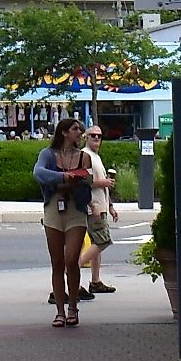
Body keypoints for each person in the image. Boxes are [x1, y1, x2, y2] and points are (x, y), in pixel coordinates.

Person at [32, 117, 95, 327]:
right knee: (57, 262)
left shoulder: (84, 156)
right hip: (53, 208)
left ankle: (73, 307)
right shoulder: (47, 154)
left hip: (76, 210)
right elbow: (38, 173)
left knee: (71, 259)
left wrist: (76, 179)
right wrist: (64, 177)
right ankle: (60, 310)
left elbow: (87, 180)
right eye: (76, 129)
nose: (80, 132)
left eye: (80, 129)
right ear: (64, 132)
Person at [80, 125, 119, 295]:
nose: (96, 138)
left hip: (101, 205)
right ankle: (73, 268)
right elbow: (83, 182)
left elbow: (103, 184)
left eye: (99, 136)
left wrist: (110, 206)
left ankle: (95, 281)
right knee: (103, 241)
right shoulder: (84, 155)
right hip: (92, 206)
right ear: (85, 137)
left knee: (98, 241)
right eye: (93, 135)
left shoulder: (96, 157)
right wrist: (102, 184)